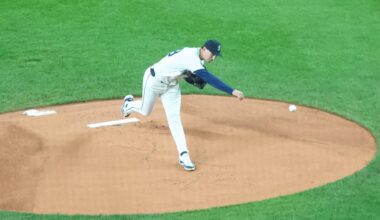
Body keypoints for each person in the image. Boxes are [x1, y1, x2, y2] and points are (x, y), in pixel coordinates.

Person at [121, 40, 244, 171]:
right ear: (203, 49)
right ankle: (128, 105)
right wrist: (232, 91)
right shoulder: (190, 56)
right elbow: (209, 78)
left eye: (215, 56)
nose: (213, 57)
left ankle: (184, 155)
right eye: (212, 53)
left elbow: (188, 73)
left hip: (172, 86)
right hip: (154, 81)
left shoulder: (198, 59)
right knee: (145, 111)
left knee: (174, 119)